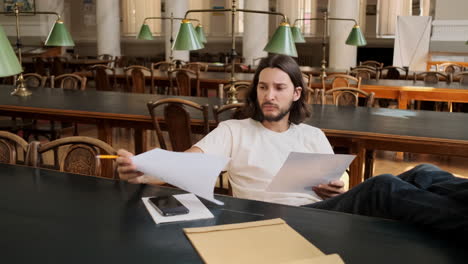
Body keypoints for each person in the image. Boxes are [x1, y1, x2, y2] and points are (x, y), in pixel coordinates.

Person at [117, 54, 468, 235]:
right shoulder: (234, 130)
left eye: (279, 88)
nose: (269, 96)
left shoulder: (311, 135)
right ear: (255, 91)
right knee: (384, 188)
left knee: (423, 171)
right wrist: (144, 166)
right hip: (277, 220)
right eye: (263, 87)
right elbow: (188, 163)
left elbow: (339, 183)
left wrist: (336, 186)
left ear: (296, 93)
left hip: (319, 212)